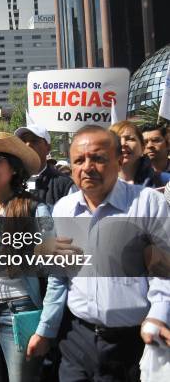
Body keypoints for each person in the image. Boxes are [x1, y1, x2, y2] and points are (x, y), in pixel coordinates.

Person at [49, 125, 170, 381]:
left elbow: (165, 271)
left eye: (98, 158)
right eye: (79, 160)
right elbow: (60, 272)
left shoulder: (147, 203)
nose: (87, 167)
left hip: (131, 342)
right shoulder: (63, 209)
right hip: (76, 339)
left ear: (118, 160)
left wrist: (159, 316)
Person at [0, 132, 66, 382]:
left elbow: (57, 274)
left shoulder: (36, 210)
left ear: (14, 169)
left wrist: (47, 327)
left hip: (19, 313)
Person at [14, 125, 74, 206]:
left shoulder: (64, 185)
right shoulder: (9, 181)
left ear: (48, 148)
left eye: (34, 141)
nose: (27, 145)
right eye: (23, 141)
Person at [109, 121, 170, 187]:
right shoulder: (99, 184)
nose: (123, 143)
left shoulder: (165, 181)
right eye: (117, 139)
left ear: (142, 148)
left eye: (130, 139)